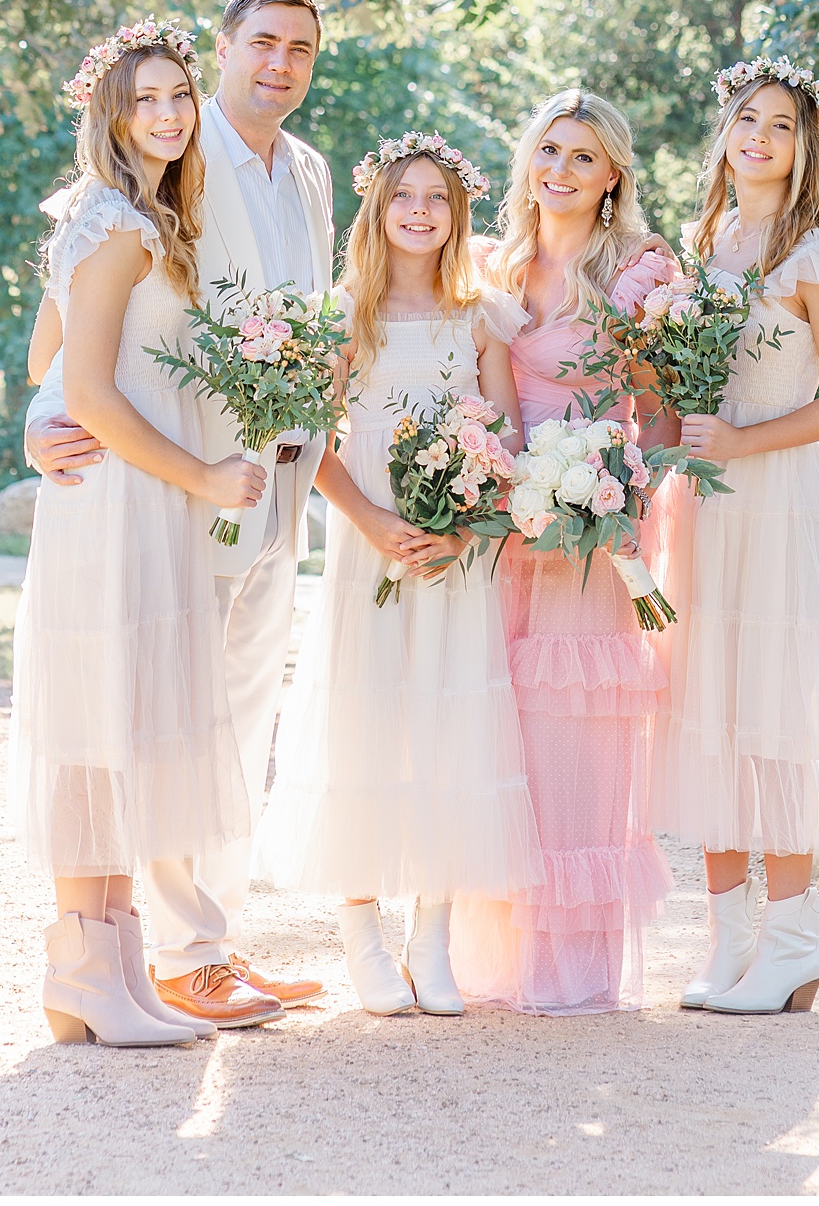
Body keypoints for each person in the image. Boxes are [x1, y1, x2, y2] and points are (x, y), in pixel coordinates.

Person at [24, 0, 332, 1028]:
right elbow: (70, 362)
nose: (165, 114)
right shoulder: (121, 215)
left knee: (188, 717)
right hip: (153, 483)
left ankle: (147, 958)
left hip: (233, 482)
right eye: (146, 97)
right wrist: (43, 422)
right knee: (121, 712)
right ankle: (132, 962)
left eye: (175, 99)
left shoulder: (239, 189)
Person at [253, 134, 543, 1014]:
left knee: (449, 730)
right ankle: (361, 934)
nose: (420, 210)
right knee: (367, 722)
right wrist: (373, 519)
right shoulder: (346, 314)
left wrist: (463, 526)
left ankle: (434, 935)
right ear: (377, 211)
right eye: (402, 195)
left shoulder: (480, 315)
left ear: (459, 216)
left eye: (438, 198)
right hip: (369, 548)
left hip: (455, 558)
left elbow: (511, 439)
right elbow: (309, 439)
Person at [449, 89, 683, 1014]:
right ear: (528, 160)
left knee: (576, 732)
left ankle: (576, 964)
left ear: (613, 172)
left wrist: (628, 495)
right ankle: (499, 956)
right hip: (508, 519)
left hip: (598, 519)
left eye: (583, 156)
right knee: (501, 726)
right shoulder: (491, 264)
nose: (561, 171)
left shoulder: (638, 270)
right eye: (549, 150)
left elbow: (657, 407)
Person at [653, 57, 819, 1015]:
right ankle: (727, 944)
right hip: (709, 503)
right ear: (725, 135)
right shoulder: (705, 249)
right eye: (747, 120)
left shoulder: (815, 257)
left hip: (782, 498)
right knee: (708, 703)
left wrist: (745, 437)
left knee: (776, 715)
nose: (759, 137)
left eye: (781, 125)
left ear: (803, 147)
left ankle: (791, 944)